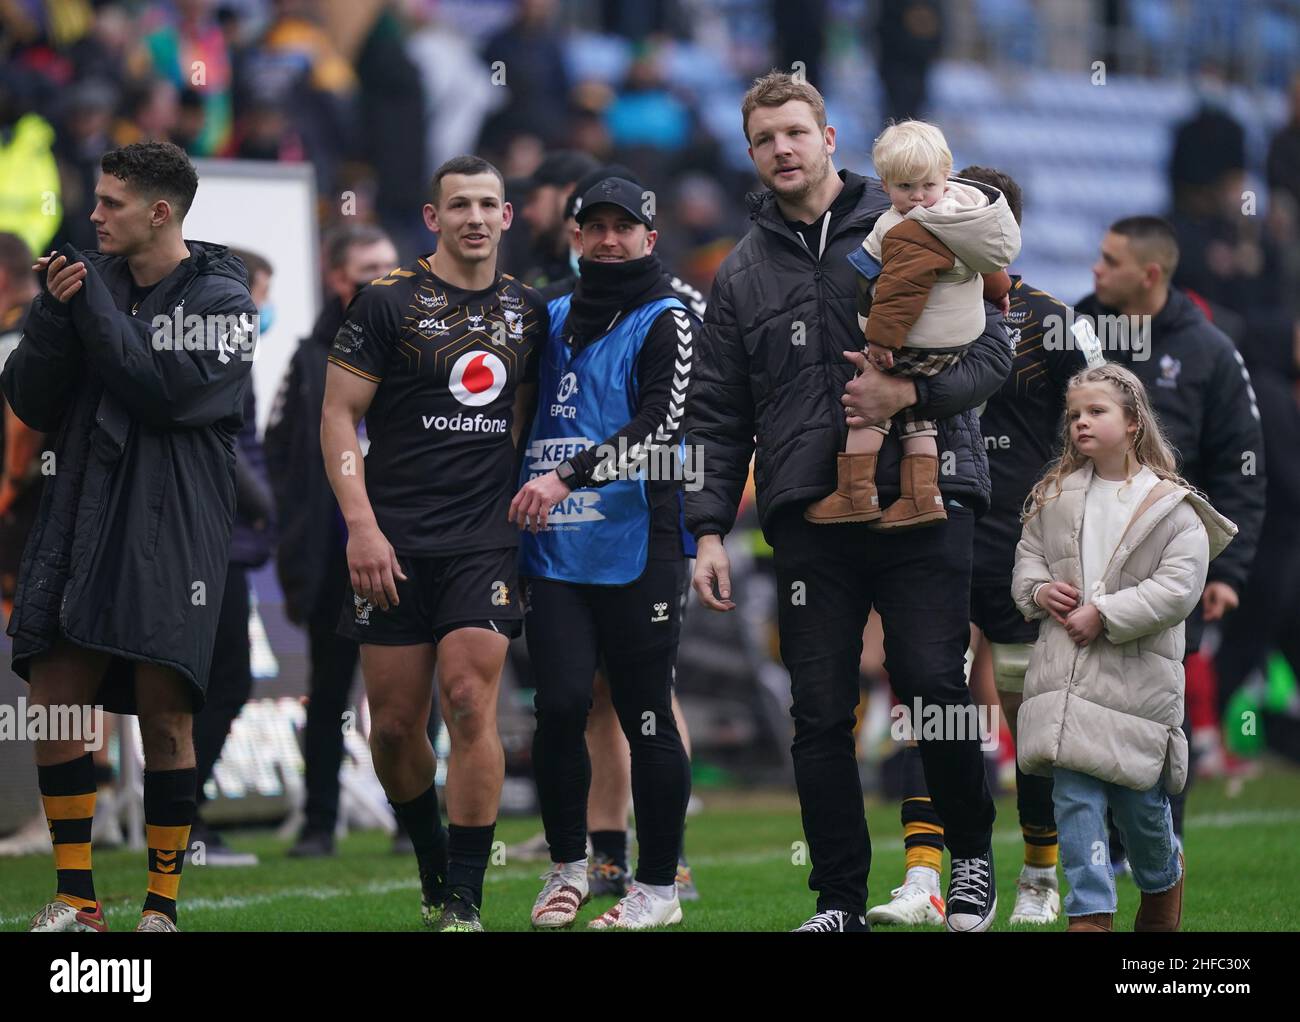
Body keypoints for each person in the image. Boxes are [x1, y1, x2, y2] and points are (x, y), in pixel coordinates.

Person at [688, 71, 1010, 932]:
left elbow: (995, 354)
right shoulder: (740, 271)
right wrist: (709, 528)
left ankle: (970, 862)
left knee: (933, 681)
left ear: (830, 138)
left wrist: (910, 401)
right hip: (805, 510)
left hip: (932, 490)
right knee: (820, 710)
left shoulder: (918, 215)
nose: (782, 149)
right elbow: (717, 410)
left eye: (796, 131)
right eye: (764, 139)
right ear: (750, 153)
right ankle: (838, 902)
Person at [5, 141, 256, 932]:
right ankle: (77, 897)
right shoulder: (85, 284)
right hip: (79, 508)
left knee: (165, 716)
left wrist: (91, 313)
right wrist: (52, 314)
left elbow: (162, 392)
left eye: (111, 202)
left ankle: (160, 906)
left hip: (172, 522)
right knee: (52, 707)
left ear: (160, 212)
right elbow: (28, 401)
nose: (93, 214)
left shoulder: (224, 303)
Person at [321, 155, 547, 932]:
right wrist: (360, 525)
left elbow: (520, 417)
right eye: (459, 206)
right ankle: (429, 855)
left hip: (484, 539)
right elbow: (337, 416)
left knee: (467, 697)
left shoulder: (529, 311)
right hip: (391, 540)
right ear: (433, 218)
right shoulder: (386, 303)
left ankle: (464, 899)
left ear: (507, 217)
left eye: (489, 204)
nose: (475, 218)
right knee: (390, 727)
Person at [865, 165, 1084, 927]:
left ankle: (1040, 874)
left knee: (1031, 721)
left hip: (1028, 552)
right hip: (937, 532)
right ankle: (925, 877)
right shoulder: (914, 300)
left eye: (951, 206)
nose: (933, 213)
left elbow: (1101, 422)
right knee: (935, 703)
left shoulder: (1053, 320)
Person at [511, 175, 694, 930]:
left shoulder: (669, 317)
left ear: (650, 238)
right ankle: (568, 868)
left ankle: (656, 887)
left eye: (627, 227)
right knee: (556, 707)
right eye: (597, 227)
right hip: (552, 549)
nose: (611, 239)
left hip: (639, 543)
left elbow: (662, 424)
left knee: (646, 712)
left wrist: (568, 474)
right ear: (576, 236)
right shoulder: (544, 315)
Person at [1012, 363, 1236, 931]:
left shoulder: (1172, 507)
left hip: (1137, 684)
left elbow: (1178, 588)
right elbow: (1026, 563)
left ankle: (1162, 886)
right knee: (1076, 802)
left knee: (1140, 807)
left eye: (1096, 412)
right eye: (1074, 416)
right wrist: (1040, 590)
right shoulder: (1054, 496)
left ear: (1133, 422)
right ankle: (1091, 913)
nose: (1081, 423)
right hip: (1065, 680)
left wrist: (1104, 614)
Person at [1076, 216, 1265, 844]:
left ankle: (1157, 847)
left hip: (1169, 563)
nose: (1096, 270)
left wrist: (1228, 572)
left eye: (1110, 261)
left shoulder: (1209, 351)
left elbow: (1243, 464)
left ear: (1150, 274)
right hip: (1083, 550)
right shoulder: (1076, 331)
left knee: (1159, 706)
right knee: (1083, 699)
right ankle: (1089, 846)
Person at [805, 119, 1018, 528]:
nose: (918, 198)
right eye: (905, 188)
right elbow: (986, 258)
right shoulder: (964, 210)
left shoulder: (910, 231)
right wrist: (998, 289)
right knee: (915, 415)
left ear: (944, 176)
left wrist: (881, 343)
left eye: (925, 186)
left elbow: (900, 294)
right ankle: (922, 495)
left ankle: (855, 492)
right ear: (885, 185)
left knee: (870, 402)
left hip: (915, 339)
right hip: (956, 343)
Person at [265, 223, 399, 858]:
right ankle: (320, 823)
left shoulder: (420, 342)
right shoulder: (308, 358)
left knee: (405, 694)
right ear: (338, 277)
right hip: (330, 560)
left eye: (392, 264)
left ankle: (412, 822)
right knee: (329, 695)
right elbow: (284, 465)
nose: (386, 275)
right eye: (372, 266)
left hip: (403, 550)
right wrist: (298, 562)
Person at [189, 249, 276, 868]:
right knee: (216, 681)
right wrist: (270, 506)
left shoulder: (228, 349)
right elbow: (226, 445)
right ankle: (180, 820)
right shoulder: (218, 350)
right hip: (210, 542)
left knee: (219, 681)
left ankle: (180, 816)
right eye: (260, 295)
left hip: (225, 542)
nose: (263, 309)